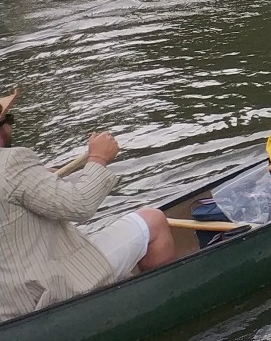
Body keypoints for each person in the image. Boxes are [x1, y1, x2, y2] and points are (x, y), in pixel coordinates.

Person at [0, 91, 175, 321]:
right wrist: (98, 159)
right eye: (9, 120)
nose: (10, 127)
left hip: (7, 304)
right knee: (153, 220)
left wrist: (41, 178)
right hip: (44, 292)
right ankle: (164, 307)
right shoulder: (11, 161)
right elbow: (81, 204)